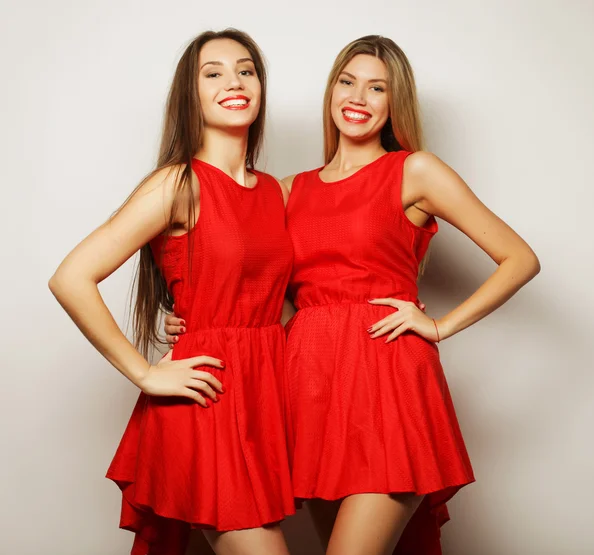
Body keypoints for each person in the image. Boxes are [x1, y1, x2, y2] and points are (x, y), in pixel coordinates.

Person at [165, 35, 541, 555]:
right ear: (331, 91)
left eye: (376, 88)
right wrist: (184, 317)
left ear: (393, 103)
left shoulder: (414, 170)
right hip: (308, 390)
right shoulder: (288, 189)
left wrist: (439, 325)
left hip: (388, 383)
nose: (358, 97)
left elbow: (520, 258)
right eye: (347, 82)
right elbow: (255, 282)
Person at [49, 29, 296, 555]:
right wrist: (144, 371)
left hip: (266, 402)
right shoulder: (178, 183)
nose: (235, 81)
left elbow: (278, 296)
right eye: (214, 73)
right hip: (208, 402)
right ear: (192, 94)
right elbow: (71, 277)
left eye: (246, 70)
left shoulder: (276, 190)